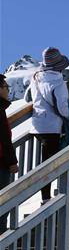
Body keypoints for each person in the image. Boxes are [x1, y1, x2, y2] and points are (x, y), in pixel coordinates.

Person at [29, 47, 69, 202]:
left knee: (45, 161)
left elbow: (28, 97)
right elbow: (62, 107)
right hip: (52, 127)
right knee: (50, 164)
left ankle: (45, 195)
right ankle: (47, 198)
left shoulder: (36, 77)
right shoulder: (58, 82)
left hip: (37, 124)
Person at [0, 75, 18, 230]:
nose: (8, 90)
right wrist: (12, 161)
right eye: (6, 87)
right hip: (1, 164)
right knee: (3, 202)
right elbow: (4, 137)